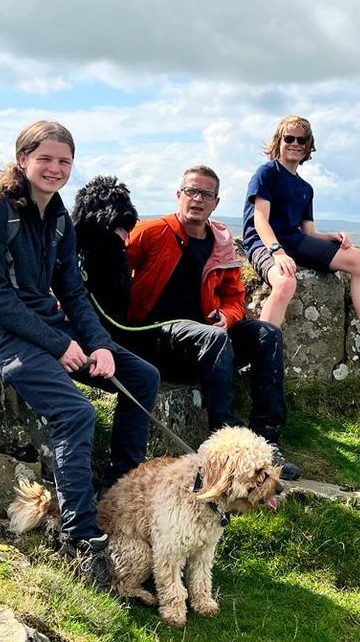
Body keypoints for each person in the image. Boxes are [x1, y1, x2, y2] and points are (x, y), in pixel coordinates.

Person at [0, 120, 160, 589]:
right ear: (23, 159)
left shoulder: (59, 215)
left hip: (45, 325)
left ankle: (122, 493)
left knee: (142, 377)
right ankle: (81, 540)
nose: (55, 168)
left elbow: (72, 288)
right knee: (75, 412)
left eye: (64, 161)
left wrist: (101, 346)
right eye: (45, 158)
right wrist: (60, 345)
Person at [120, 165, 301, 480]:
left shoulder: (221, 240)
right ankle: (226, 442)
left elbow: (235, 298)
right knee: (214, 338)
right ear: (178, 195)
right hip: (154, 340)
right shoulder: (151, 232)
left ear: (216, 203)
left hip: (205, 340)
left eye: (206, 194)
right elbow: (113, 270)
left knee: (267, 334)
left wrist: (227, 317)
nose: (197, 199)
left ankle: (267, 438)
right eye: (191, 191)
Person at [242, 115, 360, 368]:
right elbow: (260, 221)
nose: (295, 144)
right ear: (278, 141)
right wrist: (277, 252)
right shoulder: (267, 173)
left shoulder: (305, 188)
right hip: (263, 242)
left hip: (295, 241)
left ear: (308, 146)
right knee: (285, 282)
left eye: (302, 140)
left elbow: (308, 232)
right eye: (289, 138)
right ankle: (259, 356)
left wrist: (331, 237)